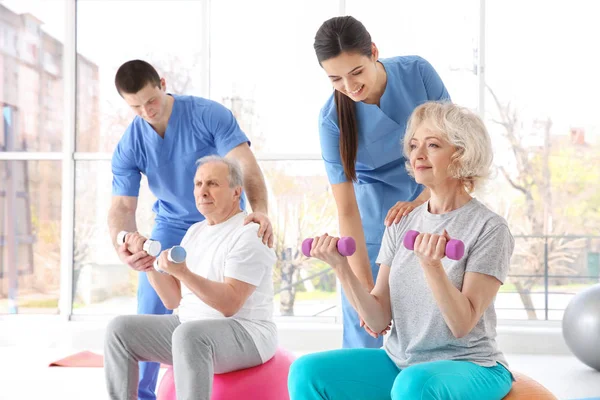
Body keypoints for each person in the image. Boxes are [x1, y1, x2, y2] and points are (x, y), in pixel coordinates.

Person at [289, 102, 515, 399]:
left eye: (432, 145)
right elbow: (379, 320)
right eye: (413, 145)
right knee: (308, 371)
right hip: (401, 362)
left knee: (414, 385)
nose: (417, 155)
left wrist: (432, 267)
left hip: (471, 364)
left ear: (461, 154)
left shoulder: (489, 228)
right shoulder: (402, 222)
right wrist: (340, 267)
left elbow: (462, 325)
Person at [107, 59, 273, 400]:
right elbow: (122, 207)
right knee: (152, 306)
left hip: (223, 217)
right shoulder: (131, 142)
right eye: (135, 107)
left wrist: (261, 213)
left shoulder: (208, 115)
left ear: (163, 84)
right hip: (172, 225)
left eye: (150, 100)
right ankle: (141, 394)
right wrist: (125, 246)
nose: (146, 111)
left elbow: (245, 168)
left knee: (221, 305)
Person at [314, 16, 451, 348]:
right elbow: (346, 211)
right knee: (367, 337)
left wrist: (420, 202)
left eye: (356, 72)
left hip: (434, 203)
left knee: (434, 326)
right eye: (336, 79)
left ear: (373, 52)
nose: (349, 87)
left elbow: (453, 144)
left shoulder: (417, 73)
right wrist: (364, 291)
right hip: (373, 225)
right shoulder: (331, 120)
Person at [105, 156, 277, 400]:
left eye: (213, 184)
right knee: (119, 330)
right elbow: (173, 300)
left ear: (236, 192)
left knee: (189, 335)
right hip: (189, 329)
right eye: (198, 184)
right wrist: (149, 265)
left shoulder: (250, 233)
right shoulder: (195, 231)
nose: (202, 191)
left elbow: (230, 303)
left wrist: (183, 272)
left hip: (247, 334)